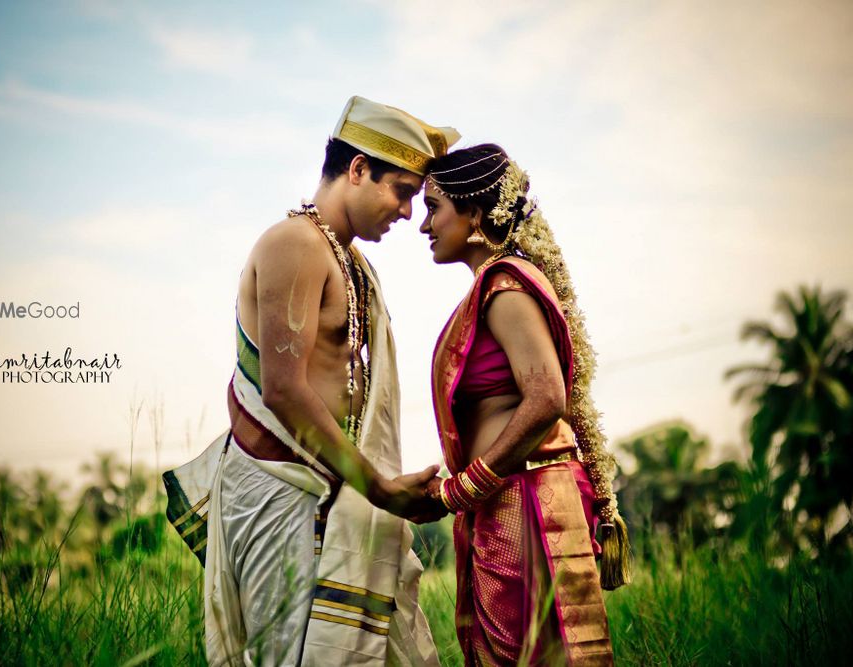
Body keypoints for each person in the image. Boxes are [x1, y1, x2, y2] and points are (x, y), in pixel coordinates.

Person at [163, 96, 458, 666]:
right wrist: (379, 488)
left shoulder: (347, 259)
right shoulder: (294, 244)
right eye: (401, 191)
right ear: (356, 169)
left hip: (326, 490)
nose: (406, 213)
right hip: (283, 489)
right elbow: (284, 389)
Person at [419, 144, 632, 666]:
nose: (423, 225)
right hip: (511, 494)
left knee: (531, 654)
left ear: (472, 215)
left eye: (434, 207)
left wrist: (466, 487)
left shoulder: (505, 288)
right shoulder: (493, 288)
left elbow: (546, 399)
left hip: (527, 499)